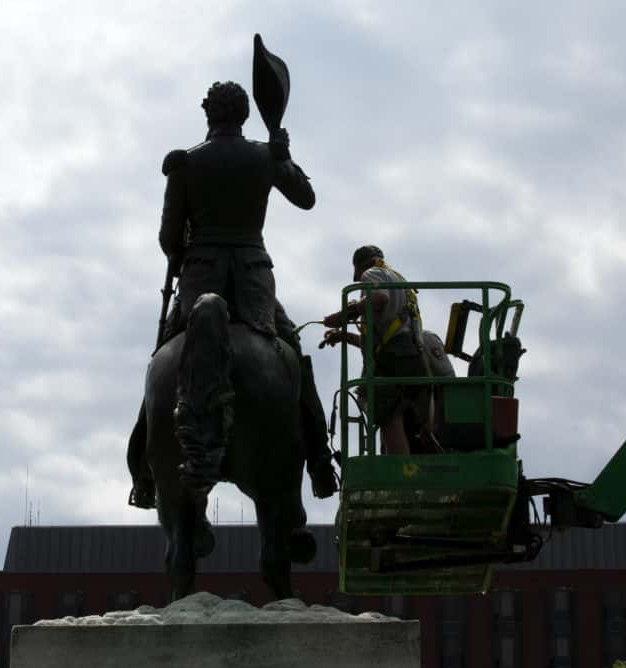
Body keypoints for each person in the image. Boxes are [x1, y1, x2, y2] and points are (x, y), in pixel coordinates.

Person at [127, 81, 338, 508]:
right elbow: (307, 199)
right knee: (294, 357)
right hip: (253, 281)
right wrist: (283, 151)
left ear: (208, 114)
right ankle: (319, 461)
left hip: (198, 278)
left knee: (163, 361)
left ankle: (144, 473)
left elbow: (170, 241)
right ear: (243, 116)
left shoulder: (184, 164)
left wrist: (186, 245)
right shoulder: (264, 156)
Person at [320, 246, 431, 455]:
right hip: (412, 355)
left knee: (384, 413)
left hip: (393, 356)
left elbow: (379, 298)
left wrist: (346, 313)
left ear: (360, 266)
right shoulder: (397, 278)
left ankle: (401, 473)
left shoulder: (370, 273)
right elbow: (382, 334)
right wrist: (343, 335)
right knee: (404, 416)